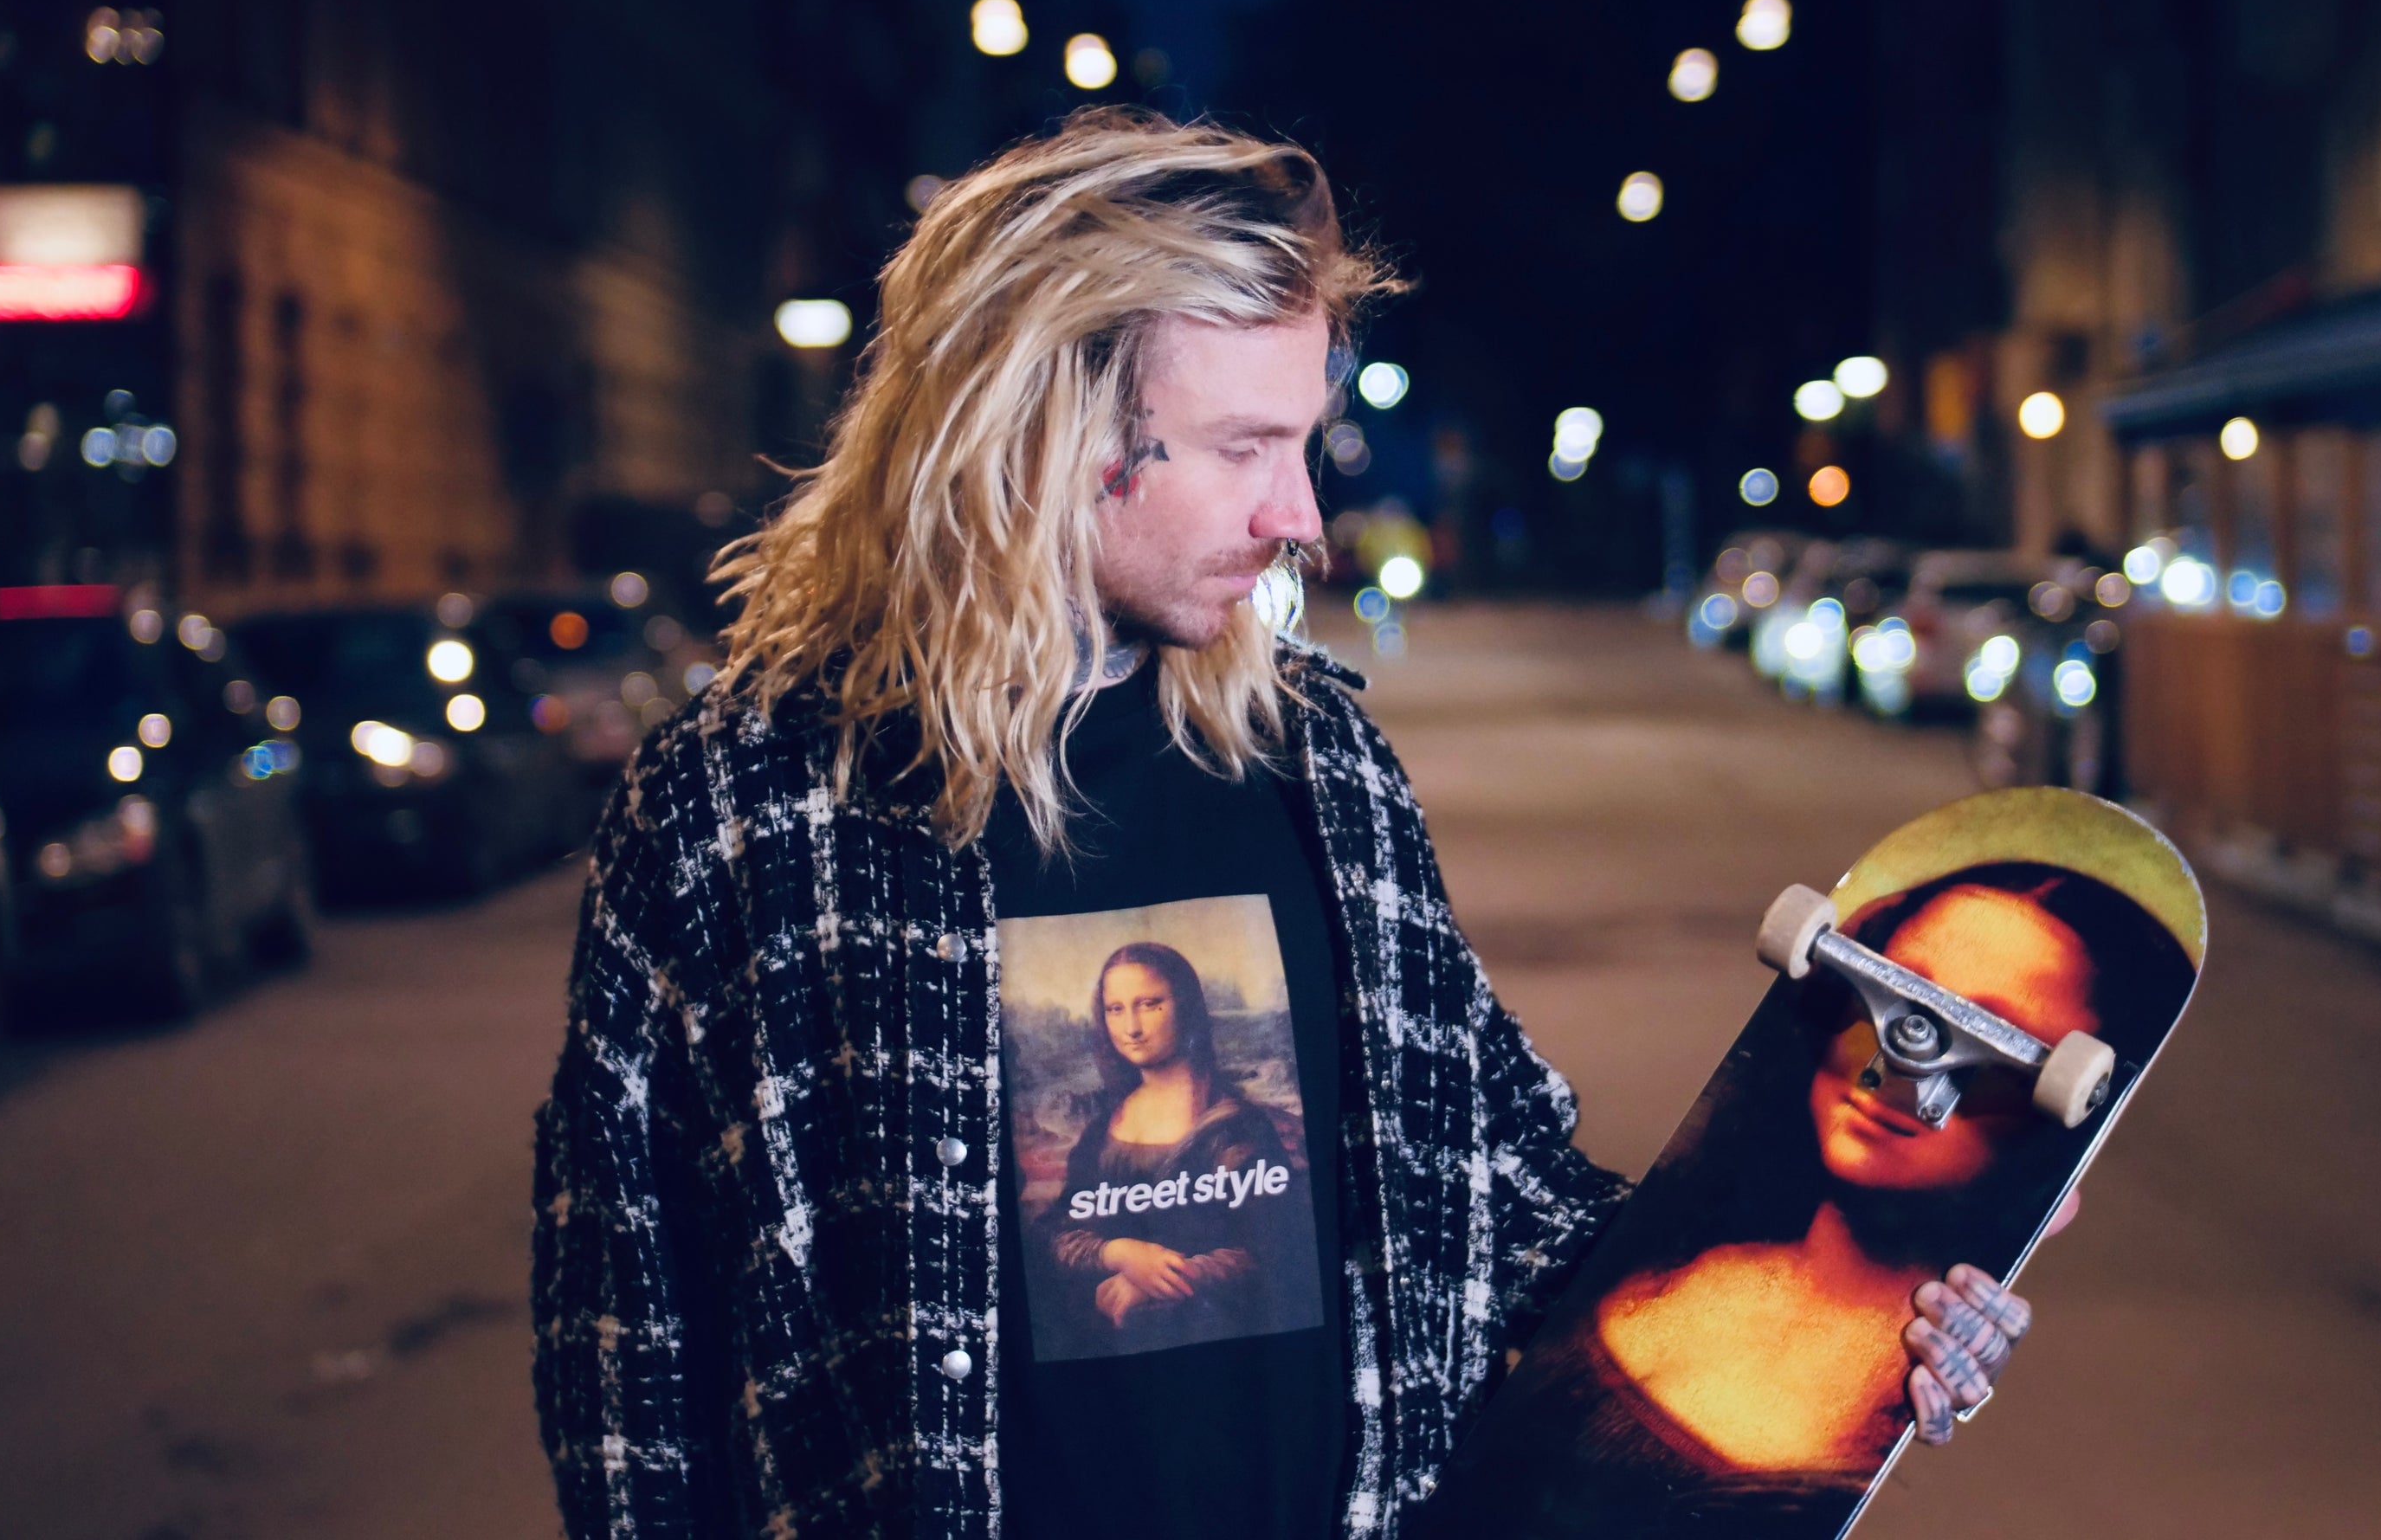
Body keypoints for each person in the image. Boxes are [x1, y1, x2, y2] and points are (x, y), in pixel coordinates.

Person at [529, 107, 2041, 1540]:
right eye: (1244, 448)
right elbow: (626, 1369)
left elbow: (1508, 1206)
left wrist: (1860, 1300)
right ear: (1044, 428)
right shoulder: (740, 815)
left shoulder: (1322, 769)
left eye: (1300, 447)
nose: (1300, 517)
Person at [1424, 862, 2190, 1538]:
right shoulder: (1675, 1257)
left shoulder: (1876, 1395)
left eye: (1992, 1036)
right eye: (1896, 991)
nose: (1905, 1060)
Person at [1036, 941, 1314, 1354]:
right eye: (1115, 1009)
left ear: (1185, 1005)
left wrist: (1168, 1277)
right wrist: (1118, 1253)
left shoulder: (1239, 1128)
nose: (1131, 1027)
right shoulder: (1101, 1130)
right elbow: (1056, 1230)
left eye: (1149, 1004)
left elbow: (1277, 1247)